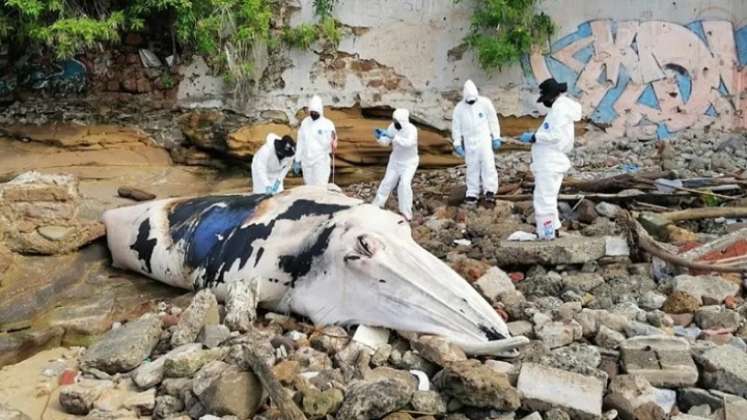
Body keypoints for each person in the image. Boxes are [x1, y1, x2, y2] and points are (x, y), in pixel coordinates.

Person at [519, 78, 582, 240]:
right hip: (551, 161)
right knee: (548, 197)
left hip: (550, 161)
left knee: (543, 198)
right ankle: (553, 229)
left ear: (551, 96)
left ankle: (546, 234)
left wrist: (535, 137)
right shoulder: (561, 108)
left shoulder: (559, 110)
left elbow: (554, 136)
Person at [451, 79, 502, 206]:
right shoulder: (459, 108)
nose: (471, 102)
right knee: (472, 167)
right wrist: (457, 143)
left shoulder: (485, 103)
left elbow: (493, 120)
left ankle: (490, 190)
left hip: (484, 139)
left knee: (488, 164)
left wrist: (496, 136)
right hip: (469, 142)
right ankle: (472, 193)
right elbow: (456, 126)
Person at [372, 108, 419, 221]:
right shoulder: (392, 127)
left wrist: (393, 137)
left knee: (404, 184)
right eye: (394, 120)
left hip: (409, 162)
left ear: (403, 121)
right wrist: (380, 137)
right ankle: (376, 206)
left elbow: (409, 143)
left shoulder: (411, 130)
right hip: (395, 161)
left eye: (397, 121)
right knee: (387, 182)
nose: (395, 123)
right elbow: (386, 142)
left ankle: (406, 213)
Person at [293, 95, 337, 185]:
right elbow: (300, 142)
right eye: (311, 112)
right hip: (306, 161)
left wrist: (333, 143)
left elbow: (333, 140)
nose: (313, 114)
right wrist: (297, 160)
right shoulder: (305, 123)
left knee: (320, 187)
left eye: (315, 112)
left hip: (320, 161)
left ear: (320, 111)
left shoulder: (327, 124)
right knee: (309, 187)